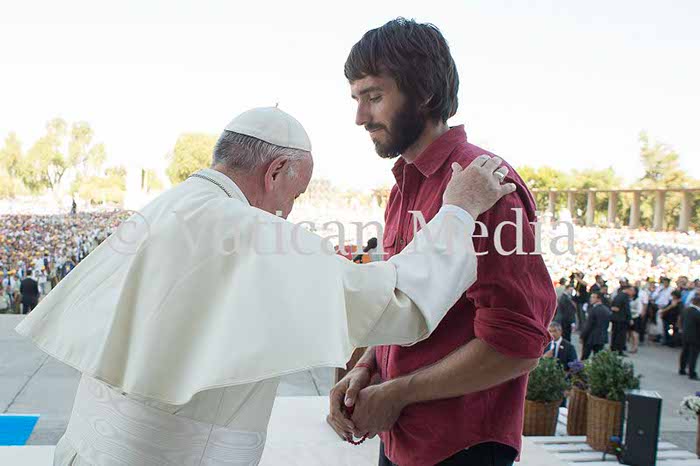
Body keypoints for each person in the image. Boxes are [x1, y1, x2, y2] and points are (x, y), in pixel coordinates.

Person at [16, 106, 515, 466]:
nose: (289, 211)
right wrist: (458, 212)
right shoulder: (255, 231)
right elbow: (399, 303)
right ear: (275, 171)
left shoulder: (165, 207)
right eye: (295, 193)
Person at [330, 19, 555, 466]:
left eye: (374, 97)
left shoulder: (487, 184)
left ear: (425, 94)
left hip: (461, 446)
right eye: (356, 99)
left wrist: (398, 392)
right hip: (400, 435)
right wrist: (367, 367)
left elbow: (519, 343)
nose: (360, 117)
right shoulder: (403, 186)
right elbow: (409, 301)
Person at [581, 292, 612, 360]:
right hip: (602, 337)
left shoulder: (593, 310)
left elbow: (588, 325)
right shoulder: (606, 309)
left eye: (593, 297)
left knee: (584, 357)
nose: (591, 299)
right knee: (598, 358)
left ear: (599, 299)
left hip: (591, 337)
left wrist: (582, 336)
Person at [680, 295, 700, 380]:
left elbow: (681, 320)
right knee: (693, 355)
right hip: (695, 336)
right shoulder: (697, 313)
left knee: (685, 352)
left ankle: (682, 369)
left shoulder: (685, 310)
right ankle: (692, 373)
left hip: (685, 334)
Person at [610, 285, 633, 353]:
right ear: (628, 289)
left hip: (616, 318)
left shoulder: (618, 295)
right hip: (622, 319)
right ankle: (619, 349)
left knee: (615, 334)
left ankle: (613, 348)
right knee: (621, 335)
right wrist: (630, 318)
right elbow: (627, 308)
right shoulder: (625, 296)